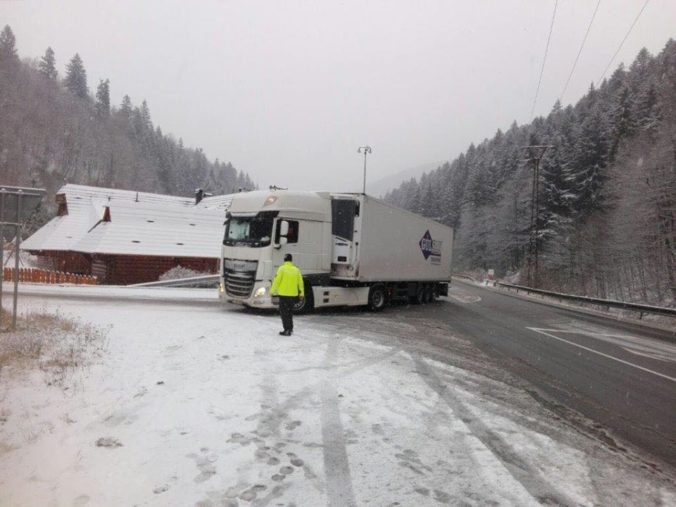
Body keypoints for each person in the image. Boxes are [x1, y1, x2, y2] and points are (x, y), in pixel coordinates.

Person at [270, 253, 304, 336]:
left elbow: (276, 281)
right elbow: (300, 282)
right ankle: (290, 328)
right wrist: (302, 293)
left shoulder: (281, 269)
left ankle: (287, 330)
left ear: (284, 260)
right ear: (291, 260)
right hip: (293, 295)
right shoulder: (296, 270)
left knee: (284, 313)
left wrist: (272, 291)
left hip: (283, 295)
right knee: (289, 312)